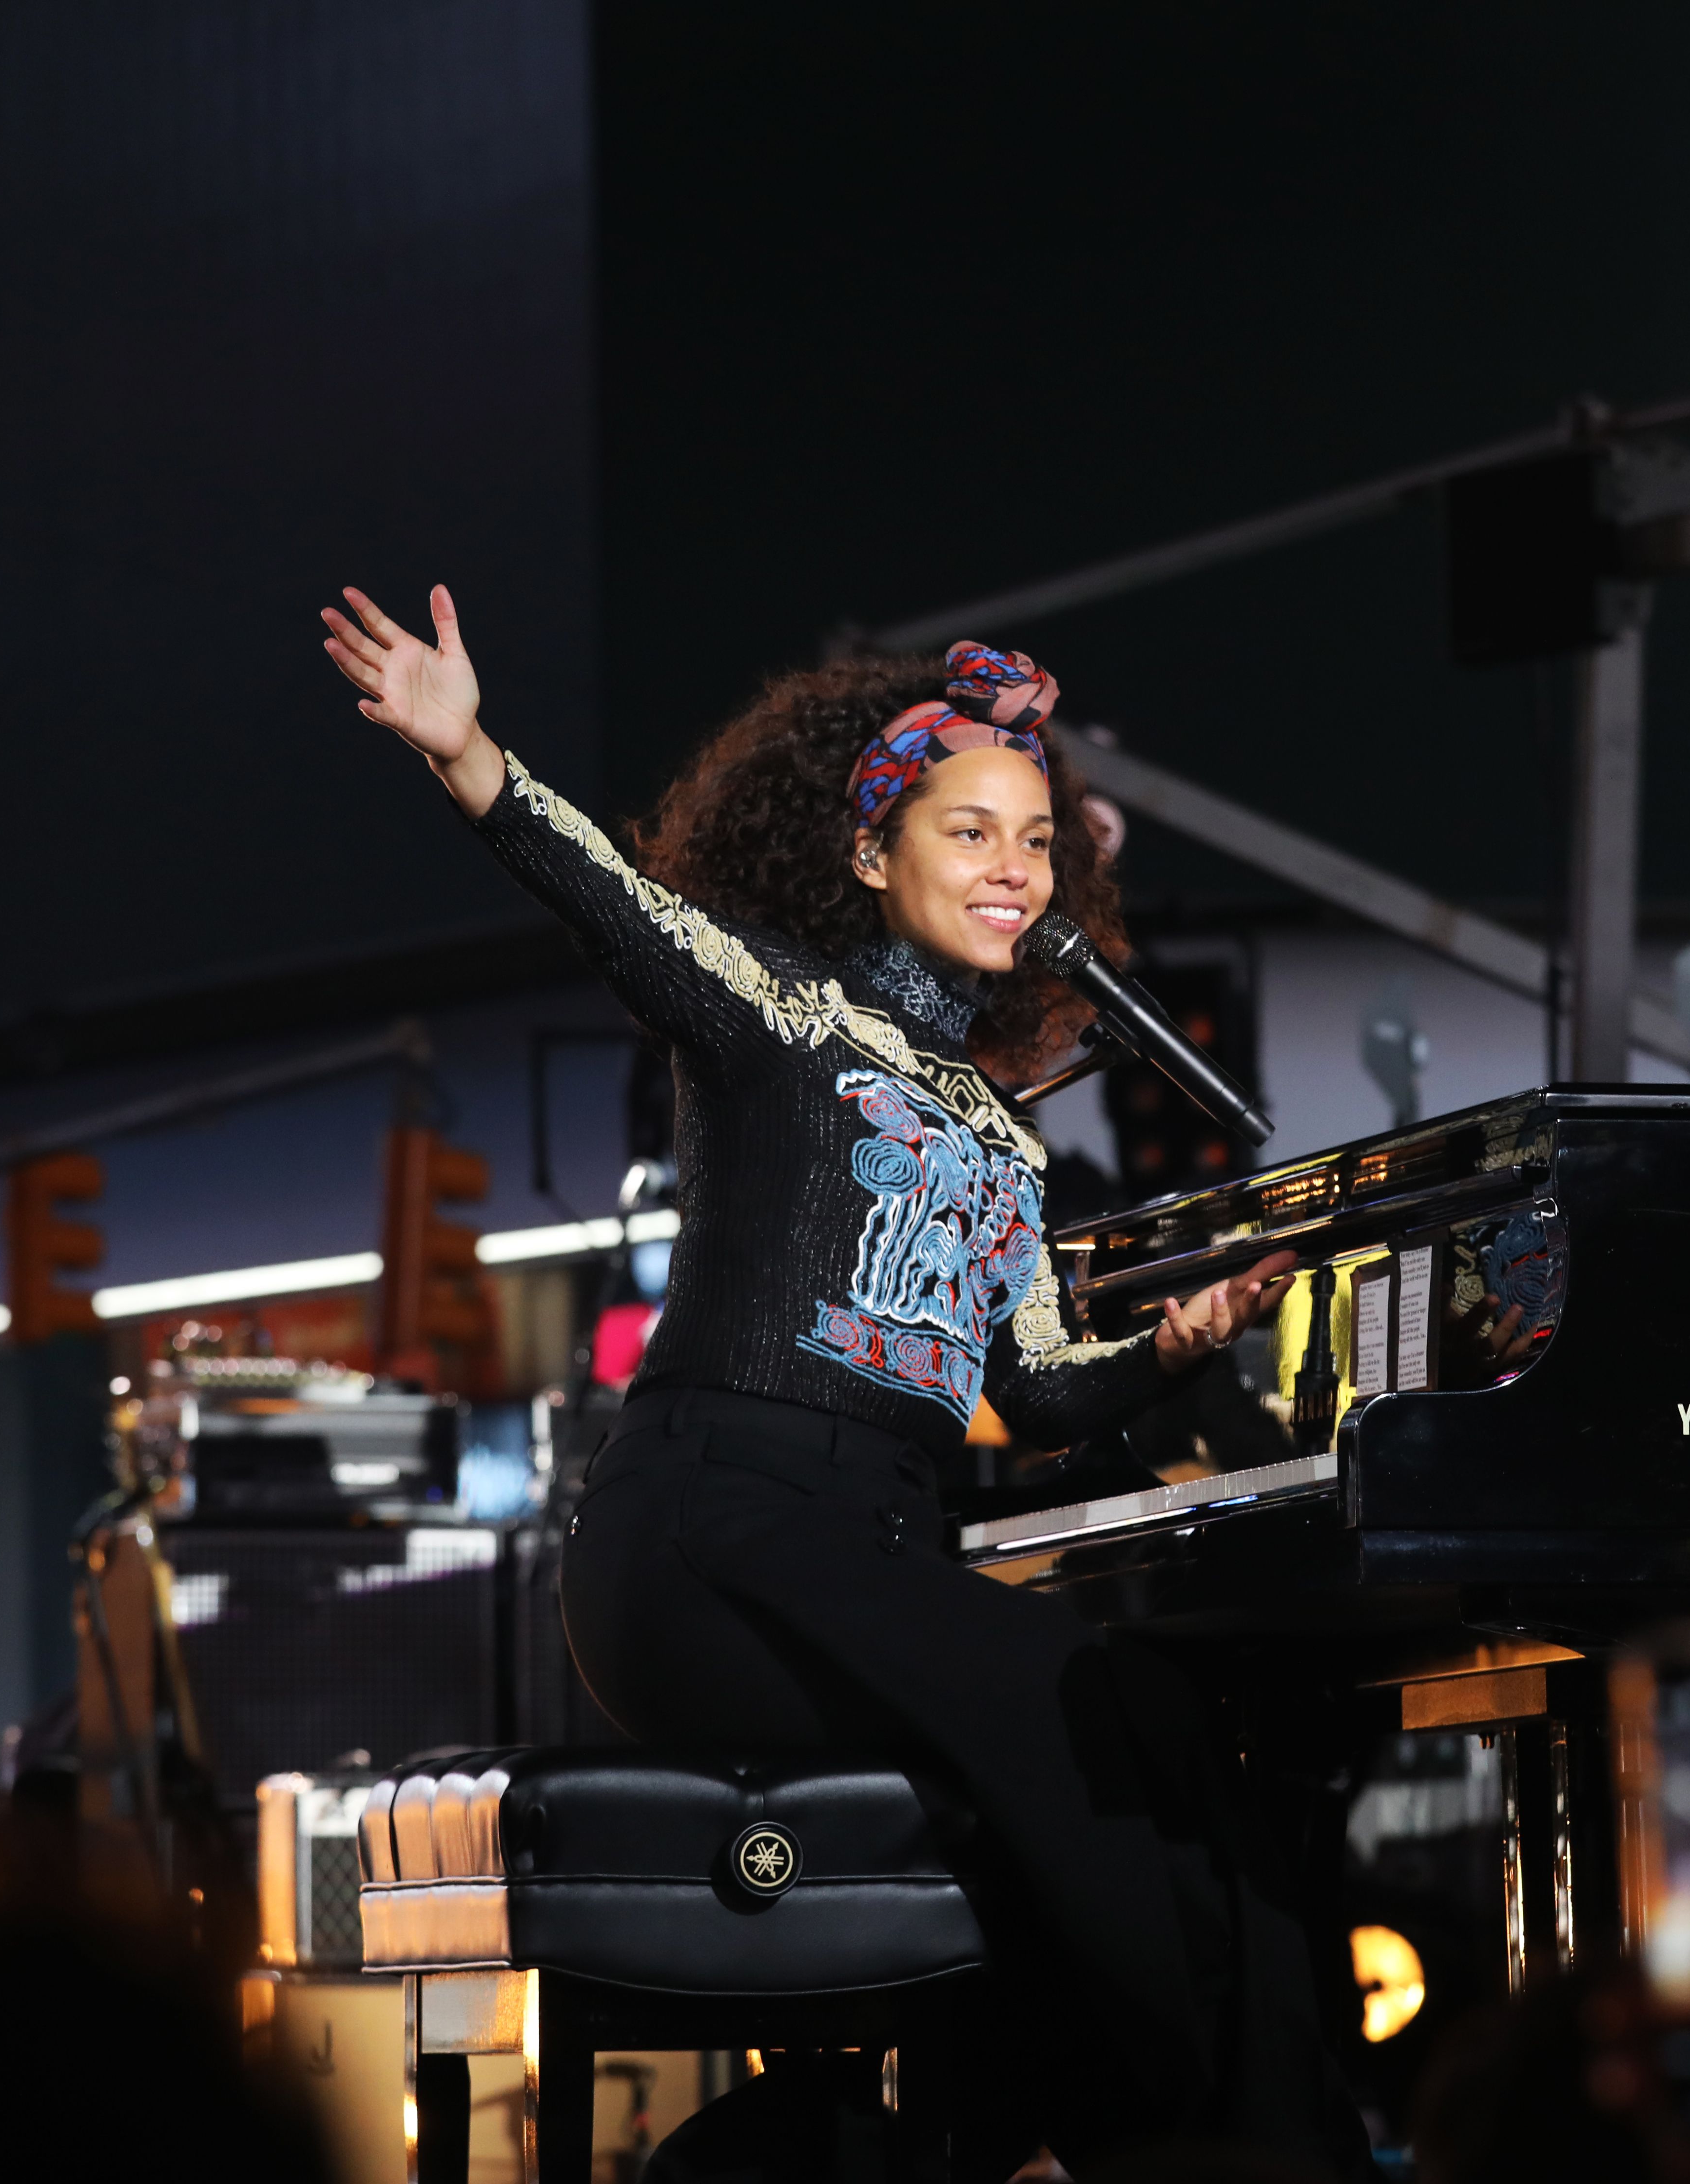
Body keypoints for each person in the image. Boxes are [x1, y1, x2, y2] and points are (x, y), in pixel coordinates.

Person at [321, 586, 1371, 2178]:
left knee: (1158, 1714)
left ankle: (1185, 2130)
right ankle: (1175, 2139)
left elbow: (1041, 1385)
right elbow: (604, 898)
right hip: (711, 1536)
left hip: (872, 1544)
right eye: (969, 833)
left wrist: (1181, 1339)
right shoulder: (776, 1014)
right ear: (874, 858)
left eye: (1035, 843)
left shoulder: (1008, 1136)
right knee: (1097, 1703)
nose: (1013, 870)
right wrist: (468, 753)